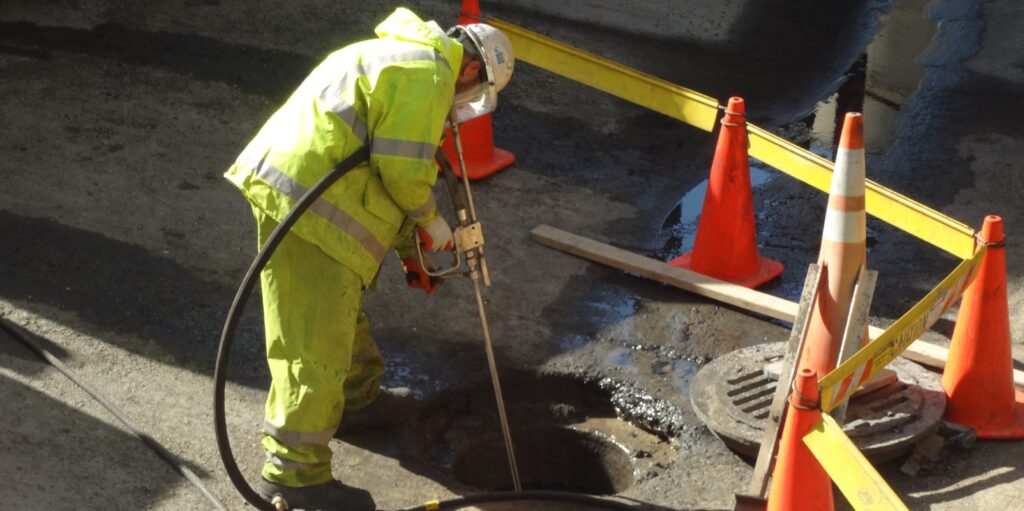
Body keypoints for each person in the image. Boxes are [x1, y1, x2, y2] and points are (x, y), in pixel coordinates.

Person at [222, 7, 514, 511]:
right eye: (473, 94)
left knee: (336, 306)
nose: (463, 105)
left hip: (309, 193)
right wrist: (432, 225)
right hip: (310, 205)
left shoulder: (402, 57)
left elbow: (381, 160)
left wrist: (411, 253)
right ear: (471, 69)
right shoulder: (429, 74)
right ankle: (293, 477)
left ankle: (355, 401)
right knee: (311, 341)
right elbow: (402, 172)